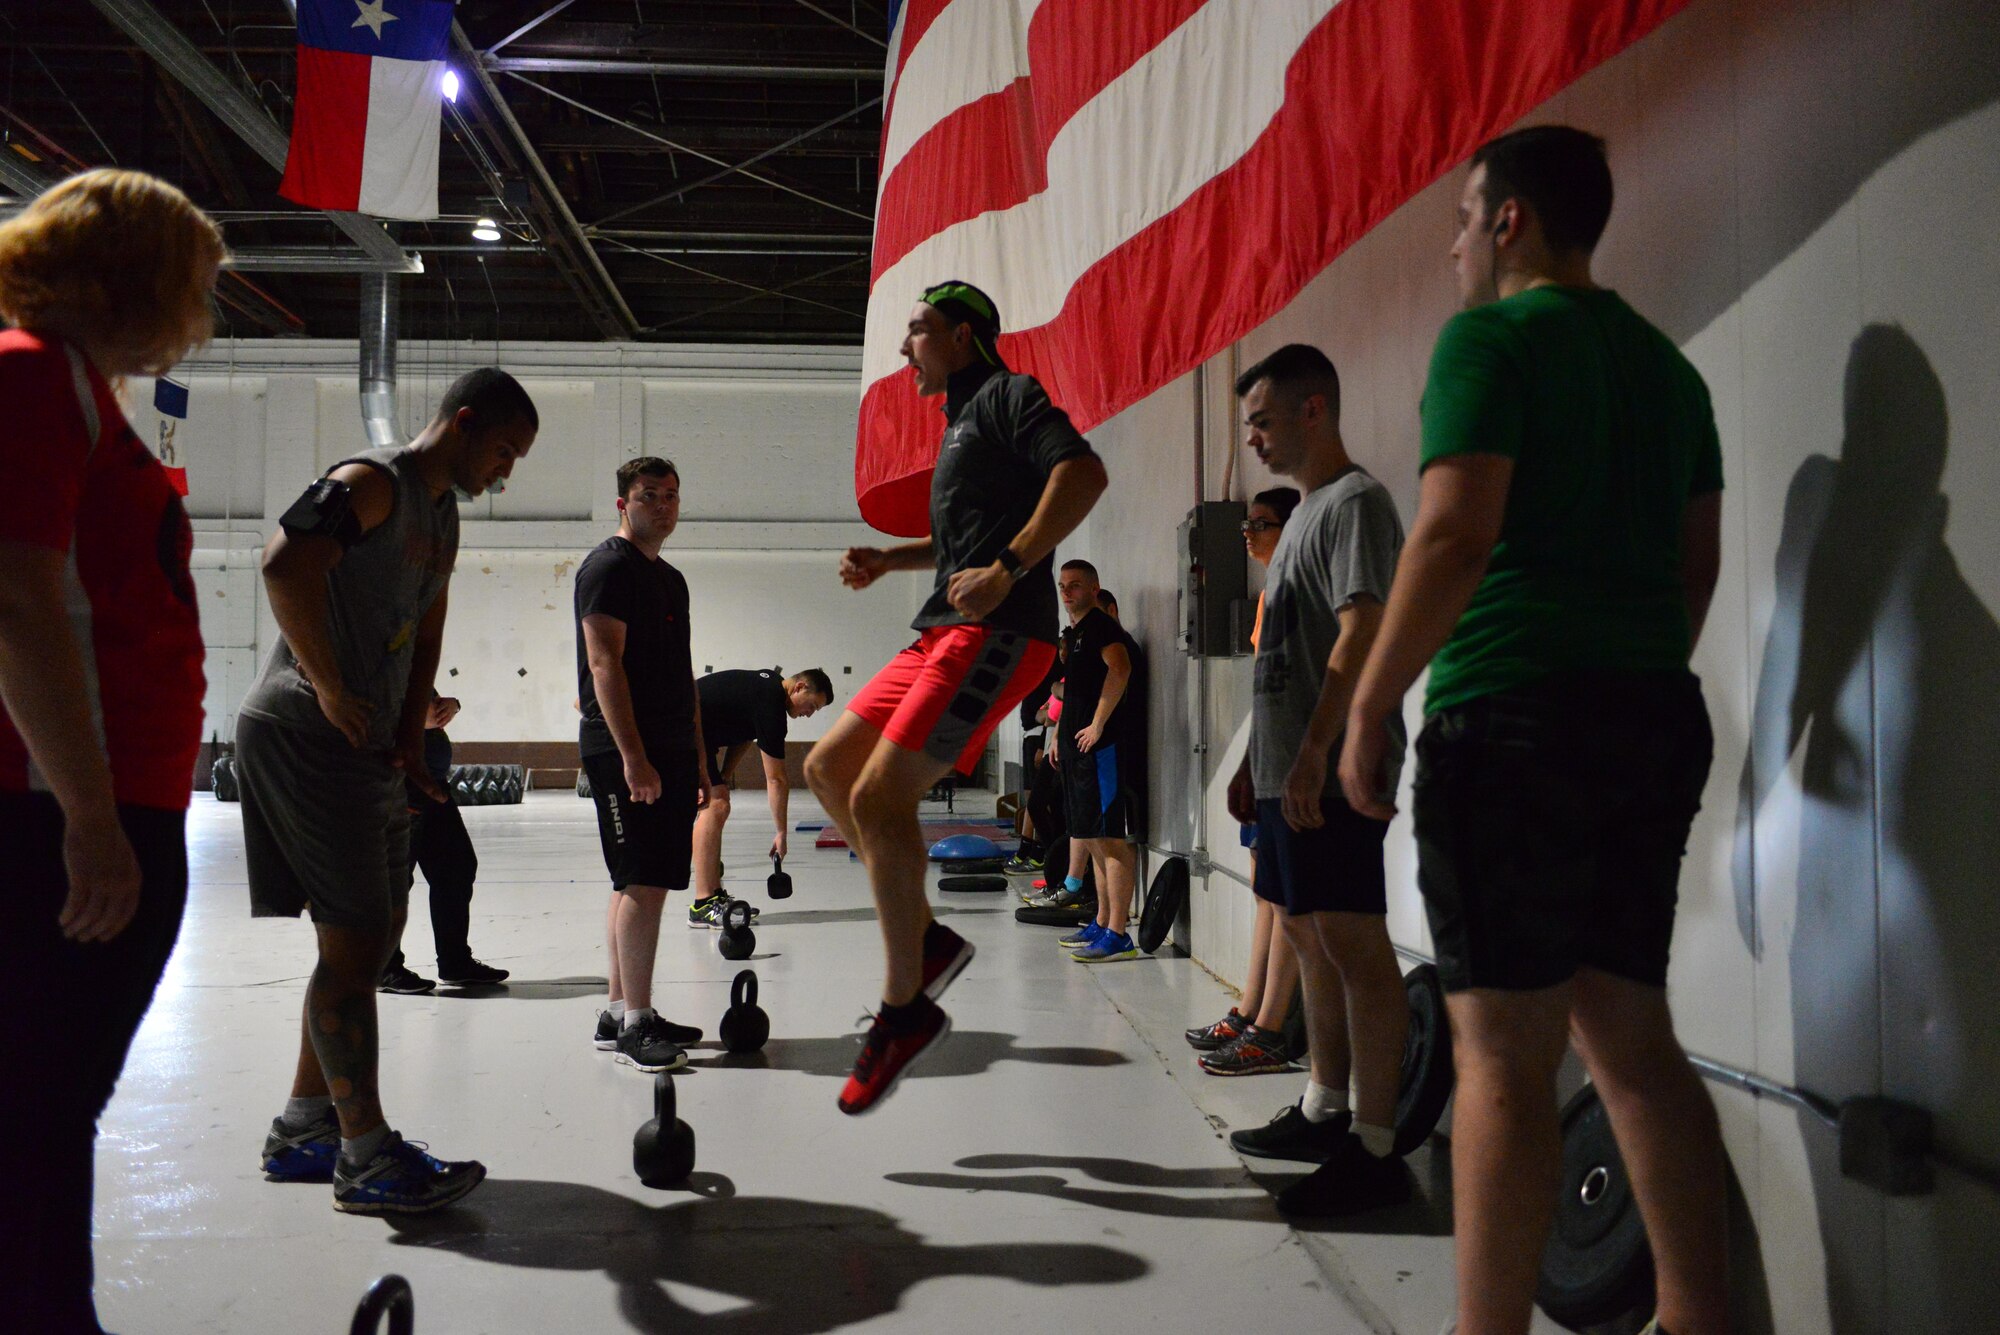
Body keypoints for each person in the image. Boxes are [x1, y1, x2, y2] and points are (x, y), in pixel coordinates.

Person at [1338, 127, 1728, 1335]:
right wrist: (1626, 665)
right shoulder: (1670, 372)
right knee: (1629, 1039)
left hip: (1511, 717)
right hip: (1651, 710)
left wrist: (1367, 706)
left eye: (1461, 218)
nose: (1451, 244)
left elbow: (1453, 535)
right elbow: (1692, 567)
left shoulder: (1491, 339)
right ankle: (1698, 1318)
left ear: (1508, 221)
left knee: (1499, 1054)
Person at [0, 168, 219, 1334]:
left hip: (103, 799)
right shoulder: (35, 377)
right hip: (56, 810)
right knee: (37, 1109)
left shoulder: (75, 389)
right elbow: (20, 598)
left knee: (45, 1110)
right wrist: (86, 816)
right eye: (193, 285)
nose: (201, 314)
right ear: (135, 277)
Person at [239, 366, 536, 1217]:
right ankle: (364, 1155)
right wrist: (329, 685)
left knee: (373, 935)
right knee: (359, 938)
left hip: (366, 744)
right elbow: (283, 563)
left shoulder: (441, 516)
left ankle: (305, 1129)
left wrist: (412, 736)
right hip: (305, 730)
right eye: (504, 451)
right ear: (465, 421)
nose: (505, 472)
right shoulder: (371, 482)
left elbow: (429, 623)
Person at [807, 279, 1106, 1115]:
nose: (906, 348)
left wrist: (1011, 567)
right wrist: (888, 560)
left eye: (918, 331)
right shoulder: (959, 425)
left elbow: (1083, 473)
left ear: (965, 336)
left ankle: (905, 1010)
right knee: (830, 771)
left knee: (878, 792)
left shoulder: (1008, 396)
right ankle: (926, 937)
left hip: (998, 632)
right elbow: (956, 544)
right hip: (940, 628)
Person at [1222, 344, 1411, 1218]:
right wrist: (1252, 766)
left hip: (1328, 773)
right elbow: (1284, 659)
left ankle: (1377, 1145)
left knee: (1354, 944)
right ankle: (1324, 1107)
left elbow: (1362, 632)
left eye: (1262, 420)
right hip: (1285, 773)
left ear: (1313, 410)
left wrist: (1311, 754)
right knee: (1305, 934)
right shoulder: (1299, 516)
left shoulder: (1357, 504)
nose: (1253, 437)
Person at [578, 458, 711, 1073]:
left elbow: (683, 673)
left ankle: (618, 1012)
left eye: (672, 496)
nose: (663, 505)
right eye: (650, 495)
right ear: (622, 504)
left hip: (671, 747)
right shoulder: (609, 567)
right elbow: (605, 665)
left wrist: (699, 757)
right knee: (644, 883)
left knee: (635, 881)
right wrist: (633, 756)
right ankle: (638, 1025)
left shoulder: (672, 579)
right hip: (626, 750)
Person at [1189, 486, 1306, 1075]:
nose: (1248, 533)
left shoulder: (1307, 586)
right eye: (1246, 524)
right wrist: (1246, 764)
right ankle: (1249, 1009)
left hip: (1298, 772)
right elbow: (1268, 696)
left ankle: (1271, 1028)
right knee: (1265, 893)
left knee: (1286, 900)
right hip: (1268, 765)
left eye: (1261, 523)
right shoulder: (1270, 597)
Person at [379, 692, 510, 993]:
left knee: (457, 867)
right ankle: (383, 967)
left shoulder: (411, 654)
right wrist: (418, 717)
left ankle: (455, 962)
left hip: (432, 786)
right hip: (402, 786)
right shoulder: (385, 657)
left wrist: (453, 705)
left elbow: (430, 704)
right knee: (395, 879)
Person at [1051, 561, 1145, 962]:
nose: (1067, 592)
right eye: (1062, 586)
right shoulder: (1075, 634)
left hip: (1101, 748)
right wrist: (1058, 734)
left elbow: (1120, 670)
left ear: (1094, 588)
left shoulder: (1104, 628)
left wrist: (1096, 724)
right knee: (1090, 835)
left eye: (1075, 585)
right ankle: (1103, 920)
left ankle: (1119, 933)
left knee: (1109, 839)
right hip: (1076, 749)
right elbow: (1073, 689)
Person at [691, 667, 834, 915]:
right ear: (799, 687)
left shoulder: (768, 687)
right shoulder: (771, 706)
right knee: (716, 805)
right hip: (680, 731)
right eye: (811, 706)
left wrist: (724, 775)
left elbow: (746, 734)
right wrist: (781, 832)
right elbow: (776, 779)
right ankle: (703, 904)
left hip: (694, 734)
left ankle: (714, 895)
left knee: (718, 802)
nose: (809, 714)